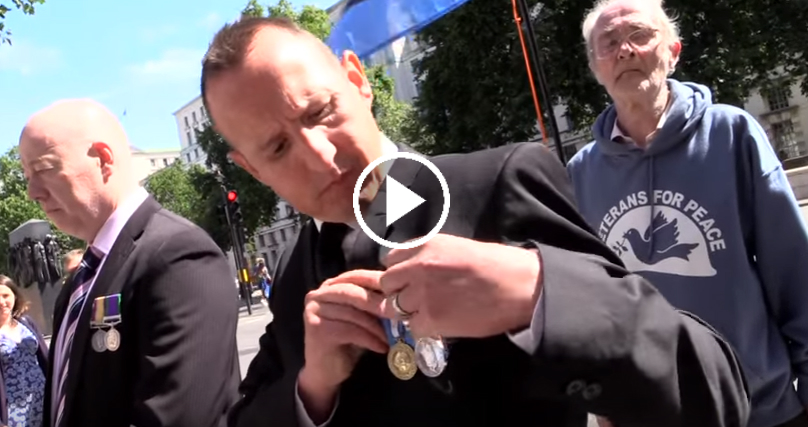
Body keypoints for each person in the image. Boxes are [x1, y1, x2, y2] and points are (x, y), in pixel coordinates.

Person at [202, 16, 749, 427]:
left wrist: (538, 293)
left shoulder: (498, 184)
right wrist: (312, 389)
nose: (319, 157)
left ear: (357, 78)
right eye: (277, 148)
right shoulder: (296, 272)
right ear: (251, 171)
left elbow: (711, 391)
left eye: (319, 111)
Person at [566, 0, 808, 426]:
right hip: (649, 412)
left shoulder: (731, 134)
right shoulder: (581, 173)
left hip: (757, 407)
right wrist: (604, 396)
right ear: (596, 67)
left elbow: (793, 269)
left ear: (673, 52)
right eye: (609, 43)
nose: (625, 50)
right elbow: (588, 302)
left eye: (639, 35)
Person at [18, 99, 241, 427]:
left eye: (43, 169)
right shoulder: (80, 281)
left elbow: (178, 416)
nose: (31, 191)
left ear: (103, 159)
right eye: (26, 175)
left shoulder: (178, 256)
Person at [0, 275, 48, 427]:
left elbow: (46, 359)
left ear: (14, 295)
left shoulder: (26, 323)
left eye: (5, 295)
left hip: (42, 400)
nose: (2, 302)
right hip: (12, 411)